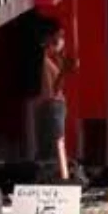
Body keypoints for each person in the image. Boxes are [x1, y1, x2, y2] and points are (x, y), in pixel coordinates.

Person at [34, 20, 73, 180]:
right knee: (54, 147)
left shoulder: (48, 59)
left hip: (52, 107)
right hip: (51, 108)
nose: (61, 41)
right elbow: (51, 91)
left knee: (52, 147)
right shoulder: (43, 62)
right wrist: (63, 71)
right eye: (59, 36)